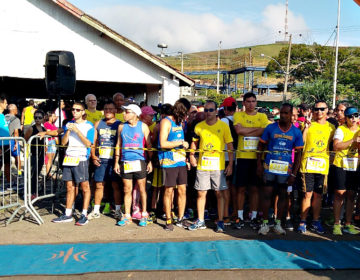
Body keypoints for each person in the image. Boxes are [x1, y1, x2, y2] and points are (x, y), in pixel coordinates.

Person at [257, 103, 303, 235]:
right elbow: (261, 146)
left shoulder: (296, 132)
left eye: (286, 113)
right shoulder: (270, 128)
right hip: (269, 168)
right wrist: (259, 165)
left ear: (291, 115)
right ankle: (265, 223)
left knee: (283, 195)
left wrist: (294, 174)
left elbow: (299, 154)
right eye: (281, 113)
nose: (282, 115)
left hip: (285, 170)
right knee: (266, 194)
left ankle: (278, 224)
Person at [189, 100, 234, 233]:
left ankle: (220, 221)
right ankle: (201, 220)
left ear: (216, 111)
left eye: (210, 110)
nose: (208, 113)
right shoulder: (199, 126)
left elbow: (230, 146)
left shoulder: (224, 126)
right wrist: (192, 156)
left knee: (219, 193)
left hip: (218, 166)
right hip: (203, 166)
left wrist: (230, 164)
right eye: (206, 110)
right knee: (201, 192)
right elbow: (194, 144)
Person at [52, 102, 95, 226]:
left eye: (78, 110)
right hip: (69, 158)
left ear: (83, 112)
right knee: (69, 187)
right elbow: (63, 142)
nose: (74, 112)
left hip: (81, 158)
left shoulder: (89, 126)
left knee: (84, 186)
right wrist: (68, 132)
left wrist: (77, 131)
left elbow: (88, 143)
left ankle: (84, 214)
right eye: (73, 110)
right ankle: (68, 213)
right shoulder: (69, 125)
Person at [298, 100, 335, 234]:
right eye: (316, 109)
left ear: (327, 111)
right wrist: (306, 127)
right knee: (307, 194)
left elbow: (334, 145)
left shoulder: (332, 127)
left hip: (323, 166)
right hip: (307, 165)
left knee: (318, 195)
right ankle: (302, 221)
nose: (319, 112)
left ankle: (315, 221)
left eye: (322, 109)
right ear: (312, 111)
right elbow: (301, 143)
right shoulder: (307, 125)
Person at [233, 92, 268, 229]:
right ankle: (240, 217)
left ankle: (253, 217)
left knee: (254, 189)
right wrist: (256, 130)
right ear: (244, 103)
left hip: (257, 158)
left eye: (253, 101)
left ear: (256, 102)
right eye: (248, 101)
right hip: (242, 158)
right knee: (241, 188)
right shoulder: (238, 115)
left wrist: (246, 130)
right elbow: (238, 131)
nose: (251, 104)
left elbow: (264, 131)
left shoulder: (262, 116)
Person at [114, 103, 153, 227]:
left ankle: (144, 214)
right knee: (127, 189)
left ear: (135, 114)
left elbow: (149, 145)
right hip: (126, 161)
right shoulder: (121, 126)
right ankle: (127, 215)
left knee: (142, 188)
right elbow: (118, 144)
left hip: (140, 161)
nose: (124, 114)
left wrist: (150, 161)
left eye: (127, 112)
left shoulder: (143, 126)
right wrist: (116, 162)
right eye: (124, 111)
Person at [88, 101, 122, 221]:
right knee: (99, 184)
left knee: (115, 185)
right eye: (106, 109)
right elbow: (94, 141)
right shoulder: (98, 123)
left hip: (114, 160)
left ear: (116, 111)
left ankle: (118, 210)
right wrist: (93, 156)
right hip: (101, 159)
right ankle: (96, 210)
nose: (108, 111)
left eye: (111, 109)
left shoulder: (120, 124)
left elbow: (121, 142)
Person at [158, 100, 189, 231]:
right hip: (168, 161)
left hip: (180, 160)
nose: (187, 116)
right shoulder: (166, 121)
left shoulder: (180, 122)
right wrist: (180, 143)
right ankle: (168, 218)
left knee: (182, 190)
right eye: (186, 113)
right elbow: (163, 143)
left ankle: (180, 218)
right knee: (169, 190)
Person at [332, 107, 360, 235]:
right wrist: (353, 141)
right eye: (350, 116)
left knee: (351, 194)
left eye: (356, 115)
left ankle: (348, 224)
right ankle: (337, 224)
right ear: (346, 118)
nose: (353, 119)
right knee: (340, 193)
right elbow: (336, 146)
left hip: (355, 166)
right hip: (341, 165)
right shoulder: (341, 129)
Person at [220, 96, 237, 225]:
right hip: (236, 157)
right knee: (233, 187)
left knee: (224, 187)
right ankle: (234, 213)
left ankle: (225, 215)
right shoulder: (238, 120)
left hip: (225, 158)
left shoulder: (224, 121)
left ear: (225, 109)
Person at [25, 110, 46, 196]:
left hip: (41, 154)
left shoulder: (44, 129)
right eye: (35, 117)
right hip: (33, 154)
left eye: (39, 117)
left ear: (43, 118)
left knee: (37, 173)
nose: (37, 119)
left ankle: (35, 191)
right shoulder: (31, 128)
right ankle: (31, 192)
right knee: (32, 174)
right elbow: (25, 138)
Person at [5, 104, 22, 175]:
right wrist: (16, 143)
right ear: (13, 110)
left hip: (3, 141)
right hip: (12, 140)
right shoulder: (16, 119)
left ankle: (4, 176)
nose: (17, 110)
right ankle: (19, 173)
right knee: (17, 157)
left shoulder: (3, 117)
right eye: (16, 109)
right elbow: (16, 132)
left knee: (6, 161)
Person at [43, 111, 58, 176]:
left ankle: (49, 172)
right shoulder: (46, 124)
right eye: (53, 116)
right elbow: (49, 132)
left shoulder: (53, 124)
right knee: (49, 158)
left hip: (54, 142)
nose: (55, 117)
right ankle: (48, 173)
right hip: (49, 142)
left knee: (51, 158)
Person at [0, 95, 11, 183]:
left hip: (7, 144)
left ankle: (9, 182)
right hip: (0, 145)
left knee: (7, 163)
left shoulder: (4, 116)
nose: (7, 105)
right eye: (5, 103)